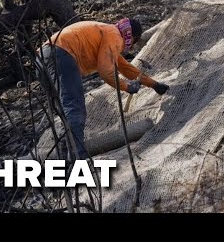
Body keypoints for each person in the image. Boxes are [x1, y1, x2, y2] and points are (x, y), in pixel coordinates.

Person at [36, 17, 170, 160]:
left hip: (42, 57)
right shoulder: (115, 35)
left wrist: (154, 84)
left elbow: (125, 67)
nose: (131, 47)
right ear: (131, 36)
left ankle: (64, 158)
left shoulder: (107, 32)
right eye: (134, 42)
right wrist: (127, 86)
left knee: (65, 112)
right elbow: (105, 71)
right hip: (61, 55)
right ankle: (77, 161)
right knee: (74, 109)